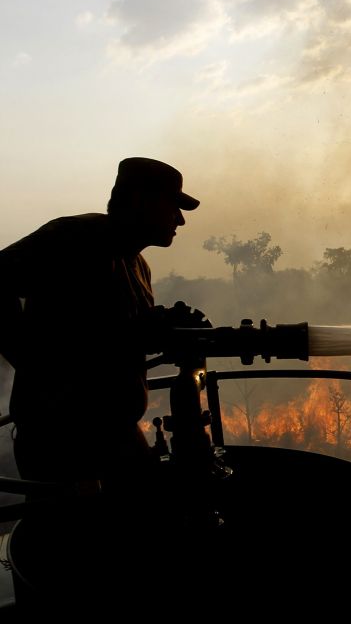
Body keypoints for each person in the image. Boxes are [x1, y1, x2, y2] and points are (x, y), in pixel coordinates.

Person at [0, 157, 203, 489]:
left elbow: (112, 334)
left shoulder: (139, 266)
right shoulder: (72, 237)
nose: (180, 220)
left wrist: (161, 327)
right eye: (172, 207)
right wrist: (33, 360)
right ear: (141, 202)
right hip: (60, 436)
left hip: (116, 430)